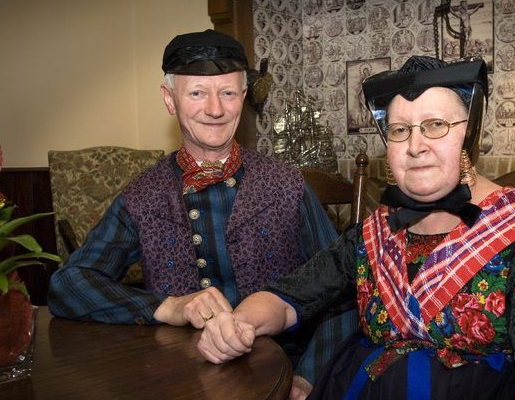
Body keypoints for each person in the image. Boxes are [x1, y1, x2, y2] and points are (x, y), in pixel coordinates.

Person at [196, 56, 515, 399]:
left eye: (436, 125)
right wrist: (239, 323)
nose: (416, 145)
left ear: (469, 133)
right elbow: (288, 298)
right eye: (399, 130)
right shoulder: (374, 232)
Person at [47, 29, 357, 397]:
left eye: (228, 93)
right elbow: (67, 284)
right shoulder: (143, 196)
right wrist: (169, 307)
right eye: (197, 93)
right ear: (169, 99)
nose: (215, 109)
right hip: (181, 380)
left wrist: (308, 377)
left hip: (285, 373)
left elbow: (346, 291)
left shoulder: (289, 186)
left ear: (243, 98)